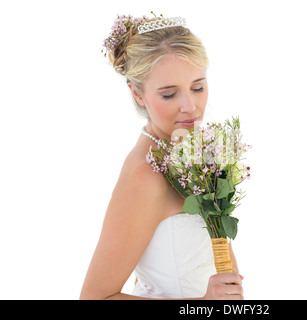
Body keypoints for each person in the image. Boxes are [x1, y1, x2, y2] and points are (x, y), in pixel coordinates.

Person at [80, 14, 244, 300]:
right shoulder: (144, 176)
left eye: (198, 87)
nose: (190, 107)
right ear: (138, 93)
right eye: (169, 94)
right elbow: (95, 298)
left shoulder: (194, 153)